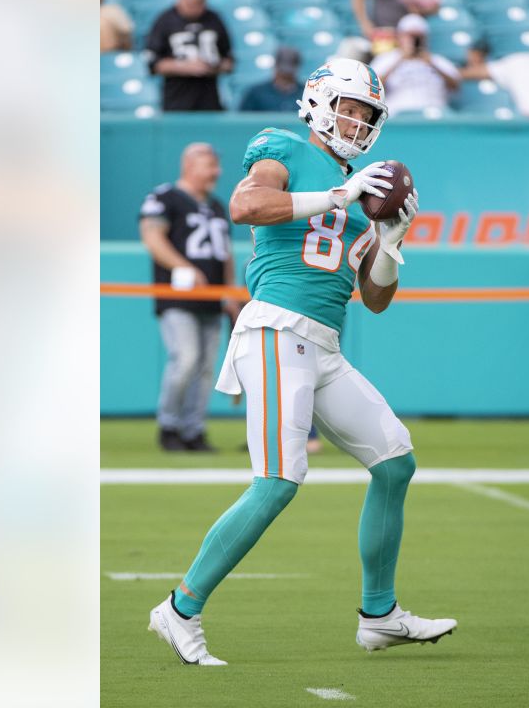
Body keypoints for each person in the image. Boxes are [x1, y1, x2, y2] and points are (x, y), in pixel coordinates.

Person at [146, 58, 456, 666]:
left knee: (395, 461)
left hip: (325, 345)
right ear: (318, 101)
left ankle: (379, 615)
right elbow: (247, 204)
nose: (358, 122)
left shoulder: (362, 192)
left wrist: (389, 244)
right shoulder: (281, 147)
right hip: (276, 328)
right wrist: (339, 192)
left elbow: (375, 297)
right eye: (349, 107)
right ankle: (179, 608)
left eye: (368, 114)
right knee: (278, 482)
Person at [139, 143, 241, 452]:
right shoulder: (164, 198)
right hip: (178, 296)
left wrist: (230, 292)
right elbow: (152, 237)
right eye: (210, 165)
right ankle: (169, 426)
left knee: (205, 366)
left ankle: (193, 429)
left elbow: (224, 254)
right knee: (185, 359)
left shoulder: (216, 205)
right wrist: (184, 267)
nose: (216, 172)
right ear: (189, 165)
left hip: (211, 298)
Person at [144, 0, 234, 111]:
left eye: (197, 4)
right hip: (176, 100)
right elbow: (153, 63)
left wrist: (211, 66)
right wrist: (184, 67)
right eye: (189, 4)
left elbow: (229, 62)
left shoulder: (214, 19)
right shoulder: (165, 21)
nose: (193, 9)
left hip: (209, 100)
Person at [369, 14, 460, 116]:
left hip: (434, 112)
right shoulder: (386, 59)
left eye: (418, 36)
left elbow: (455, 86)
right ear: (399, 36)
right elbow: (373, 88)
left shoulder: (437, 60)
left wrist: (432, 63)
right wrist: (400, 60)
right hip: (397, 113)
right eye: (410, 36)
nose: (414, 40)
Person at [351, 0, 441, 42]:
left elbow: (436, 5)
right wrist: (365, 25)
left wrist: (422, 9)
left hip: (413, 35)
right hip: (384, 33)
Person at [237, 46, 305, 112]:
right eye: (282, 73)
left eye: (289, 74)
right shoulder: (256, 93)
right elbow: (242, 120)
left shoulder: (308, 94)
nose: (285, 76)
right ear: (275, 67)